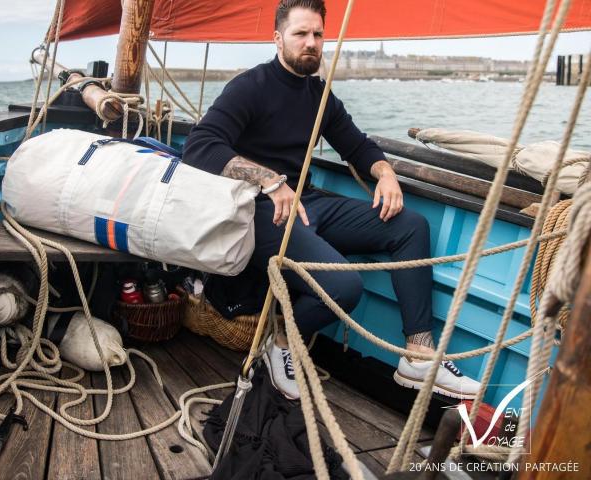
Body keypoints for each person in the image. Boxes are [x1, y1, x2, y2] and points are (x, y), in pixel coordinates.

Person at [183, 0, 480, 401]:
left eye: (318, 35)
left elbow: (356, 145)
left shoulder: (319, 95)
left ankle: (418, 354)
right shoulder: (250, 87)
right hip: (259, 211)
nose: (310, 43)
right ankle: (283, 343)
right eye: (300, 34)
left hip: (308, 202)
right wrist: (269, 180)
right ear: (277, 39)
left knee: (410, 225)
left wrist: (385, 173)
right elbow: (200, 146)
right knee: (343, 287)